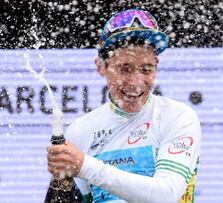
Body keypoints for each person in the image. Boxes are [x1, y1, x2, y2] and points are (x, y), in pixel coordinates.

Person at [47, 9, 201, 203]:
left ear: (157, 65)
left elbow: (166, 195)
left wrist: (85, 166)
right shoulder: (80, 131)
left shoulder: (178, 117)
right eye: (124, 69)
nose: (135, 82)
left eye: (146, 70)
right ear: (101, 66)